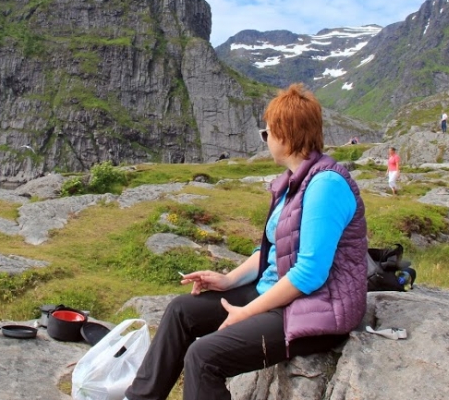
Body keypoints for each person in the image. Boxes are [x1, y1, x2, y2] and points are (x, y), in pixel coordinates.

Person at [124, 83, 368, 400]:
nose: (265, 140)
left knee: (203, 357)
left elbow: (310, 273)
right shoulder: (293, 184)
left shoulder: (325, 186)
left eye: (266, 133)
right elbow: (271, 251)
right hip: (278, 294)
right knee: (181, 310)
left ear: (286, 134)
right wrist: (227, 281)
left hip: (314, 310)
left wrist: (248, 311)